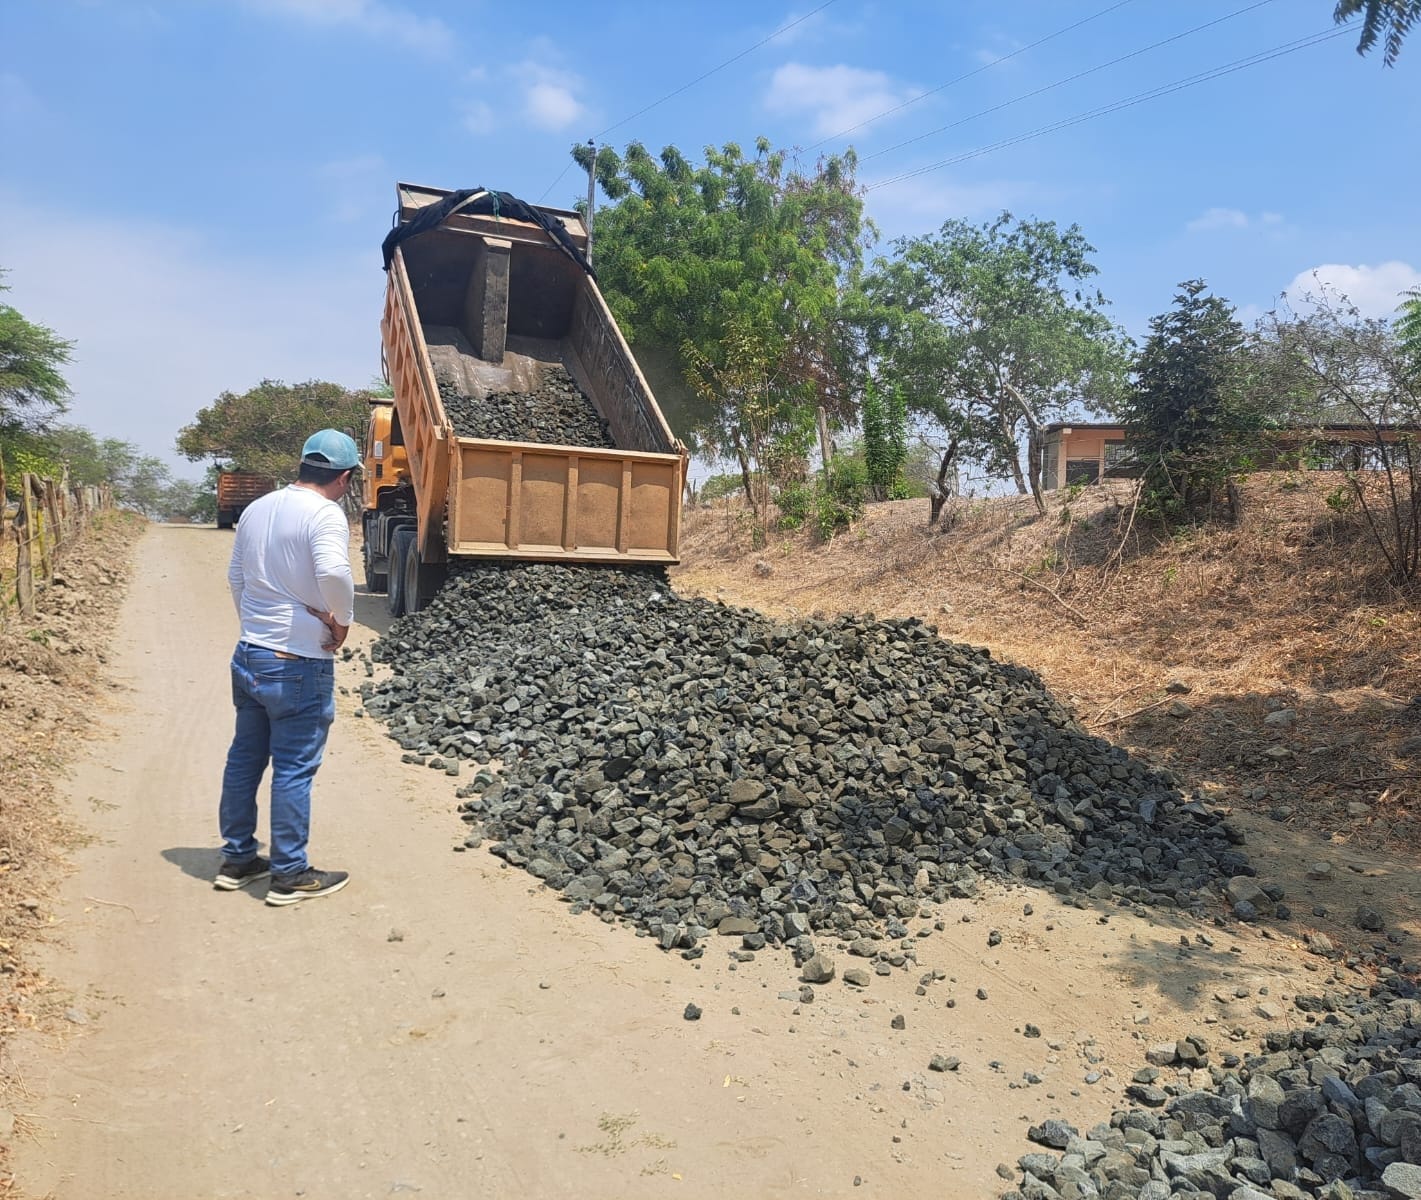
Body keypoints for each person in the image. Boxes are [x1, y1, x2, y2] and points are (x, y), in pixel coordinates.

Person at [215, 429, 359, 905]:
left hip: (251, 652)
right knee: (294, 768)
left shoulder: (257, 508)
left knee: (244, 758)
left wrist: (255, 627)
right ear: (344, 478)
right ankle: (290, 873)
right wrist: (342, 622)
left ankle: (238, 859)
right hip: (297, 662)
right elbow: (334, 572)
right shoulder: (325, 513)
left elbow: (236, 577)